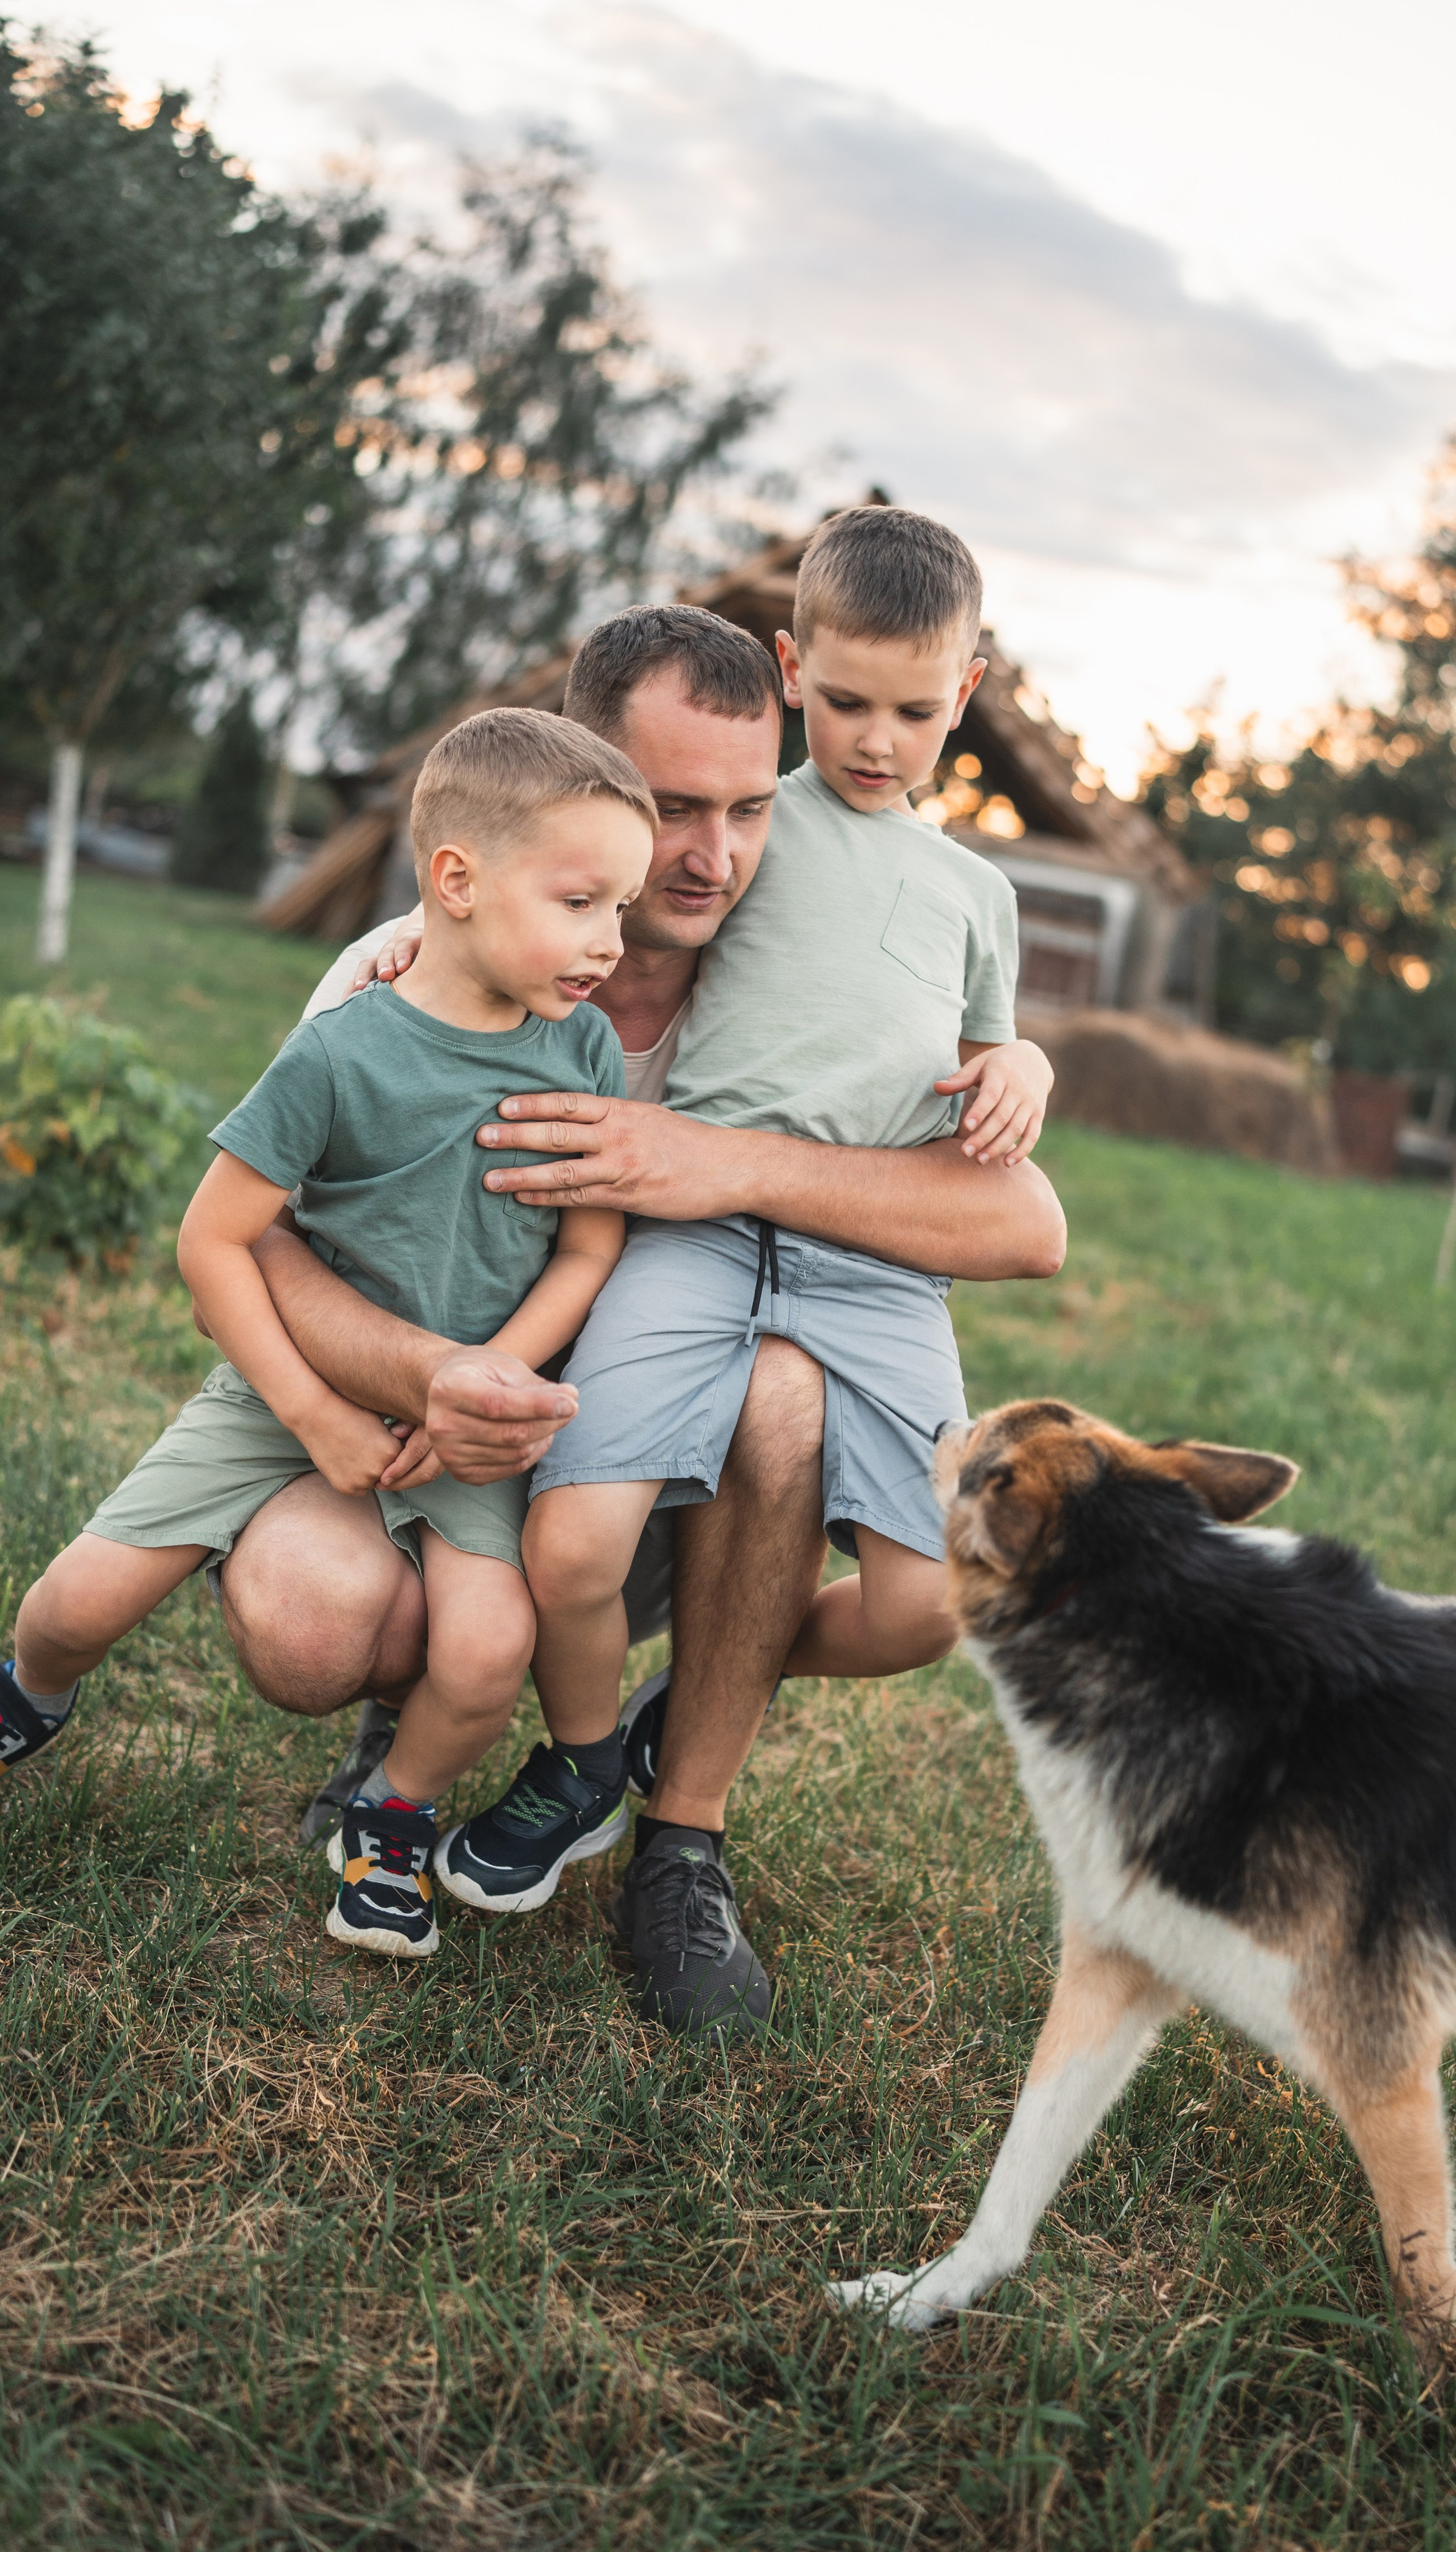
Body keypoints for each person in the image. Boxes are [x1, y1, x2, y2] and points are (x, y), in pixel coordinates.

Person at [219, 603, 1067, 2031]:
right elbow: (261, 1245)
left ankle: (675, 1833)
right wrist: (437, 1376)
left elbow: (1026, 1223)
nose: (713, 857)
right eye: (671, 808)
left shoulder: (791, 966)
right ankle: (410, 1724)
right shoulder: (411, 980)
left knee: (786, 1392)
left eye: (749, 808)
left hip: (655, 1501)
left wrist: (723, 1161)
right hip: (420, 1449)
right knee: (310, 1624)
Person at [436, 507, 1052, 2034]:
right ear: (790, 674)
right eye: (842, 703)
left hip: (873, 1272)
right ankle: (590, 1765)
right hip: (691, 1242)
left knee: (929, 1602)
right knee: (575, 1543)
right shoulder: (753, 828)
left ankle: (674, 1722)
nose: (875, 740)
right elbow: (562, 879)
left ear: (965, 694)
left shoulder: (976, 895)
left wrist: (1024, 1061)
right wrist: (416, 951)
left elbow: (992, 1091)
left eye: (914, 710)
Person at [1, 710, 654, 1960]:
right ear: (456, 882)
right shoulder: (341, 1049)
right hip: (286, 1393)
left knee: (489, 1649)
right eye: (581, 903)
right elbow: (215, 1241)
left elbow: (588, 1249)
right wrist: (314, 1415)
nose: (611, 942)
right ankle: (30, 1694)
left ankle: (390, 1815)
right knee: (74, 1605)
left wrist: (495, 1375)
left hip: (469, 1429)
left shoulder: (583, 1051)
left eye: (620, 908)